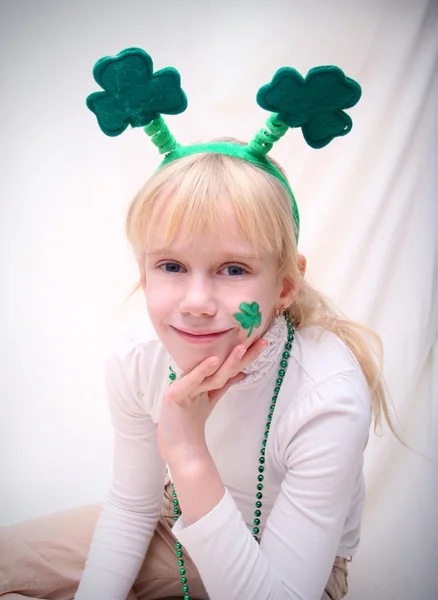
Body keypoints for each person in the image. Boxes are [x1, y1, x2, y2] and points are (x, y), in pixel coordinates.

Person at [0, 48, 394, 600]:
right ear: (143, 270)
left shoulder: (327, 393)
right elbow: (133, 506)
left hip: (293, 574)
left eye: (234, 269)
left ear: (284, 286)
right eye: (171, 266)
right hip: (176, 526)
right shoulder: (138, 355)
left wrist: (185, 449)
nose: (197, 301)